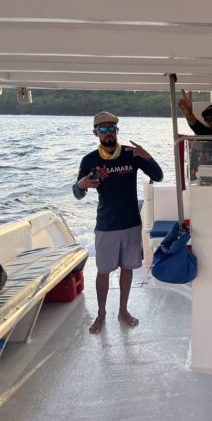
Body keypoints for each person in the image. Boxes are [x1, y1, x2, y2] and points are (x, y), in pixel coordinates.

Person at [73, 111, 163, 334]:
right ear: (96, 133)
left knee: (127, 269)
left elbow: (159, 176)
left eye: (111, 128)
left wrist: (147, 156)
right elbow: (77, 193)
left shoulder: (131, 155)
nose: (108, 133)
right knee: (103, 271)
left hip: (132, 222)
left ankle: (123, 310)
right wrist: (82, 185)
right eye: (102, 130)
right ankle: (101, 313)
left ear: (117, 131)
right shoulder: (90, 160)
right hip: (106, 225)